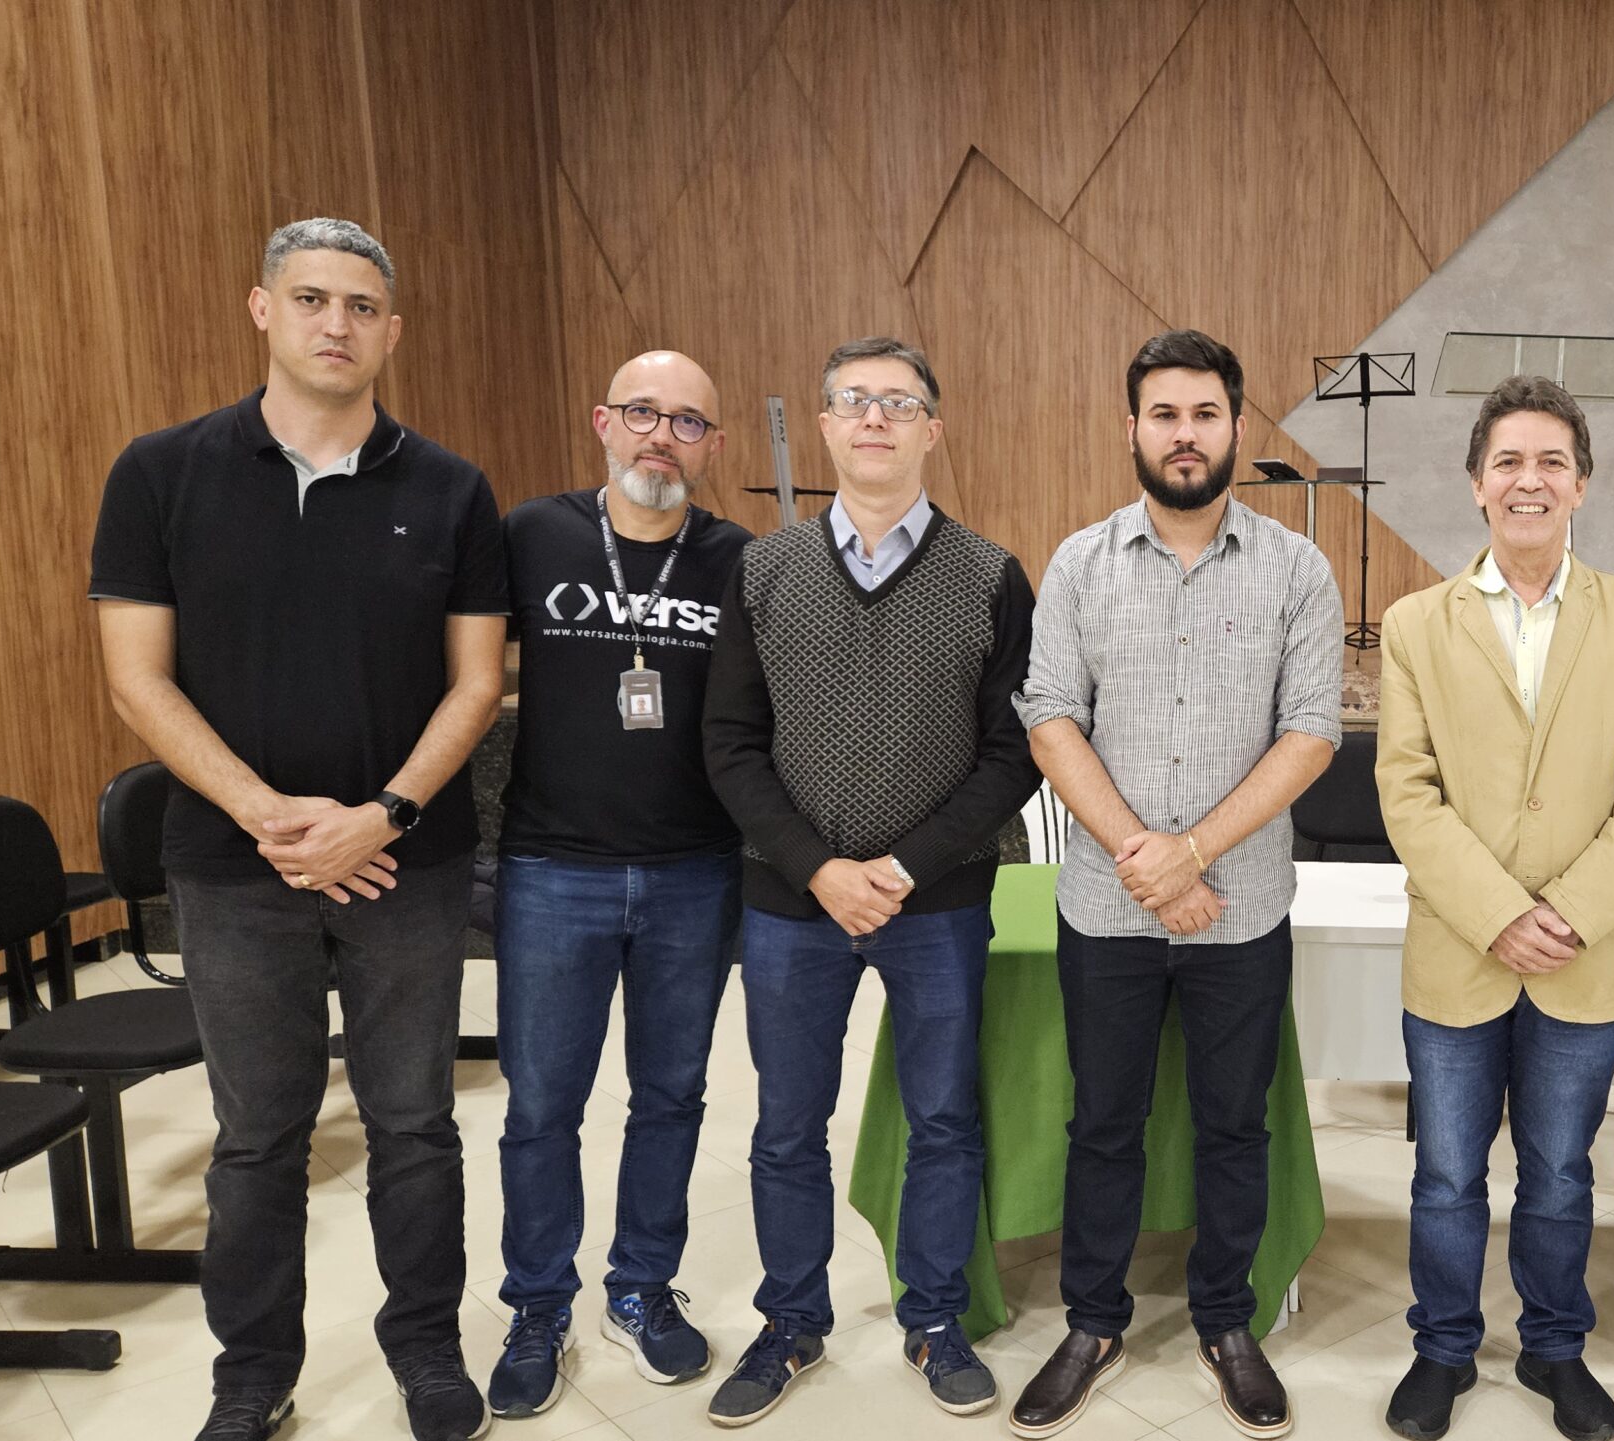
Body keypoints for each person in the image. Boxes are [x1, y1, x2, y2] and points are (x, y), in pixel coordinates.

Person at [90, 218, 508, 1441]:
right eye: (313, 298)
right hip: (235, 868)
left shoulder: (449, 488)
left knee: (414, 1126)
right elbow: (136, 677)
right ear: (262, 309)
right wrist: (270, 816)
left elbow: (477, 682)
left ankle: (426, 1351)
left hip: (407, 864)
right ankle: (252, 1371)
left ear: (392, 330)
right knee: (257, 1136)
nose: (338, 323)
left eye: (363, 305)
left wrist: (381, 814)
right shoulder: (161, 472)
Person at [700, 337, 1040, 1426]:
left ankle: (934, 1317)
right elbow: (729, 743)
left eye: (900, 402)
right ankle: (791, 1320)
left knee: (943, 1119)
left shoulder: (990, 574)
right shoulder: (764, 570)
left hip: (934, 901)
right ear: (826, 426)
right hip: (790, 899)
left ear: (934, 428)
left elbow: (1012, 755)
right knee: (787, 1125)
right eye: (854, 401)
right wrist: (819, 868)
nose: (876, 418)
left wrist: (896, 867)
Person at [1010, 329, 1342, 1441]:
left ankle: (1225, 1320)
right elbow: (1050, 719)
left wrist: (1193, 853)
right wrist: (1147, 859)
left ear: (1237, 426)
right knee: (1104, 1122)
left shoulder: (1297, 568)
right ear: (1133, 428)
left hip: (1239, 911)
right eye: (1165, 414)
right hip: (1106, 907)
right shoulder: (1079, 563)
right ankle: (1092, 1321)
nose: (1185, 434)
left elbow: (1310, 733)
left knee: (1232, 1126)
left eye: (1205, 414)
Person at [1373, 375, 1614, 1441]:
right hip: (1456, 952)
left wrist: (1571, 911)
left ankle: (1555, 1347)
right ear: (1476, 483)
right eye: (1507, 460)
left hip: (1580, 956)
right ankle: (1442, 1348)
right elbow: (1406, 791)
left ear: (1581, 484)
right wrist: (1497, 913)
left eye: (1552, 460)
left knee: (1558, 1173)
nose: (1529, 479)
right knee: (1446, 1174)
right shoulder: (1415, 624)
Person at [484, 350, 753, 1418]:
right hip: (554, 869)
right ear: (603, 421)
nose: (660, 436)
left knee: (672, 1096)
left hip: (696, 868)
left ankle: (640, 1286)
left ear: (713, 444)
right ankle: (537, 1303)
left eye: (687, 421)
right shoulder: (531, 535)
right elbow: (458, 670)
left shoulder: (739, 559)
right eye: (643, 412)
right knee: (541, 1106)